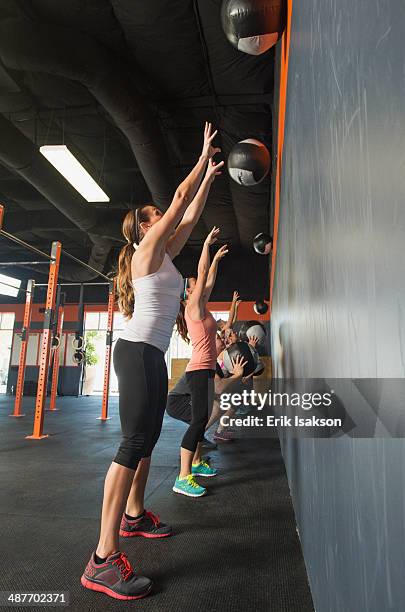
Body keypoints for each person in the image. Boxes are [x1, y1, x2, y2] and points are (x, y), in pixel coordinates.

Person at [81, 122, 223, 600]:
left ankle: (135, 516)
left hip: (153, 355)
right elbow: (180, 198)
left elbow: (189, 210)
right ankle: (102, 559)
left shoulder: (165, 254)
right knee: (133, 443)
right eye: (155, 215)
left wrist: (209, 180)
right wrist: (200, 159)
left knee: (145, 443)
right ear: (144, 227)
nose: (164, 216)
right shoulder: (145, 251)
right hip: (138, 352)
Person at [173, 227, 228, 497]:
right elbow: (203, 273)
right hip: (197, 372)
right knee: (197, 422)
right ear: (188, 292)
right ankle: (183, 477)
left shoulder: (202, 307)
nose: (200, 284)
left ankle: (195, 462)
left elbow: (209, 279)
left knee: (201, 419)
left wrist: (216, 261)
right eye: (195, 283)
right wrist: (206, 244)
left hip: (205, 370)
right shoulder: (191, 308)